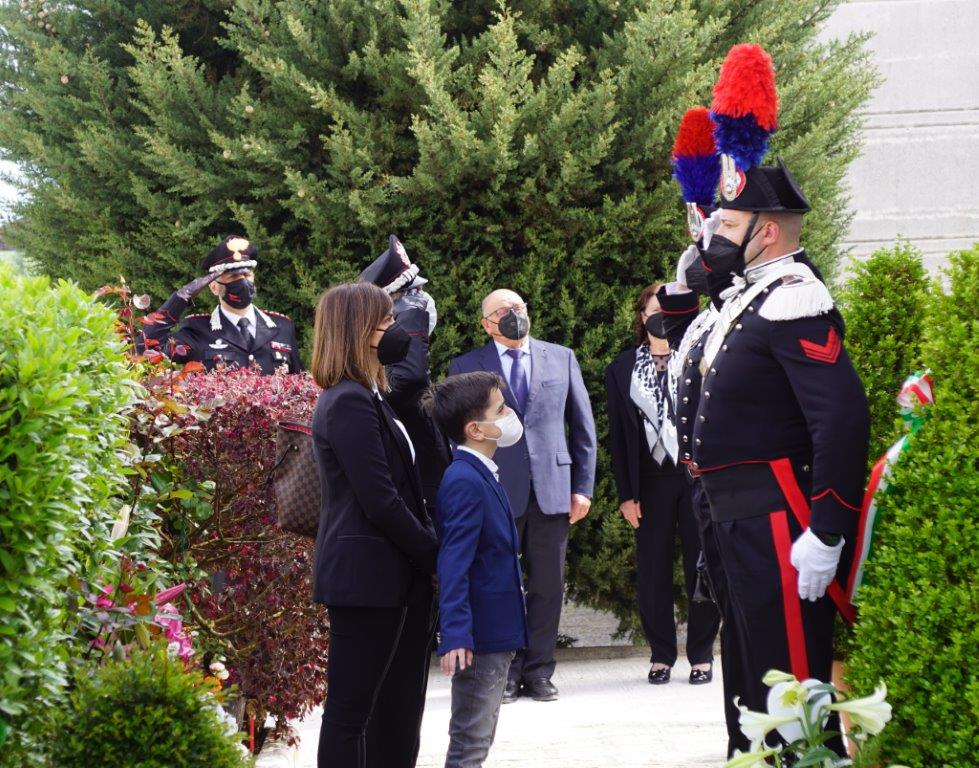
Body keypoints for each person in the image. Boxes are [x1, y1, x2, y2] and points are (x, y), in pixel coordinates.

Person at [693, 153, 870, 750]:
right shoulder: (749, 297)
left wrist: (826, 530)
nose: (713, 236)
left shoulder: (796, 297)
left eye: (727, 225)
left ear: (765, 232)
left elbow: (840, 419)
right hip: (732, 517)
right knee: (749, 683)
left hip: (777, 518)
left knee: (788, 684)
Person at [309, 282, 438, 768]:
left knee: (392, 711)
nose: (393, 330)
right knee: (351, 713)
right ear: (356, 331)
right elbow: (380, 500)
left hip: (388, 579)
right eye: (384, 322)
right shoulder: (347, 401)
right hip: (365, 580)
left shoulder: (370, 395)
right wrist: (433, 554)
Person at [448, 289, 596, 703]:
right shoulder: (466, 366)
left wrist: (582, 487)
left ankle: (540, 671)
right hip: (494, 494)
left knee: (548, 585)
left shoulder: (561, 357)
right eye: (503, 311)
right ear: (486, 324)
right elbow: (456, 438)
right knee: (500, 586)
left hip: (552, 490)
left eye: (519, 308)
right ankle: (506, 673)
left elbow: (583, 429)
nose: (514, 315)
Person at [604, 283, 719, 685]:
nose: (661, 317)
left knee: (700, 565)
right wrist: (626, 495)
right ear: (642, 316)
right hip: (650, 483)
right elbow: (618, 437)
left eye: (667, 310)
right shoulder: (620, 369)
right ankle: (661, 655)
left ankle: (702, 654)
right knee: (652, 570)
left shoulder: (700, 358)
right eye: (654, 309)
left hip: (695, 478)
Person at [425, 372, 528, 768]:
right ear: (476, 429)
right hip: (480, 638)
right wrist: (455, 634)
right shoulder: (465, 479)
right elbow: (454, 562)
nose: (509, 415)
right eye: (500, 410)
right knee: (470, 744)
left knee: (477, 741)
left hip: (494, 632)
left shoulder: (480, 472)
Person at [358, 234, 452, 520]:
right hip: (416, 490)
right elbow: (408, 381)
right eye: (413, 293)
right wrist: (410, 324)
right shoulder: (399, 344)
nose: (423, 299)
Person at [139, 235, 302, 373]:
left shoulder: (282, 327)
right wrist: (180, 298)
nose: (243, 282)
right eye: (233, 277)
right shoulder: (197, 330)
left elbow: (298, 383)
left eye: (247, 275)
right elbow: (145, 349)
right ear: (214, 287)